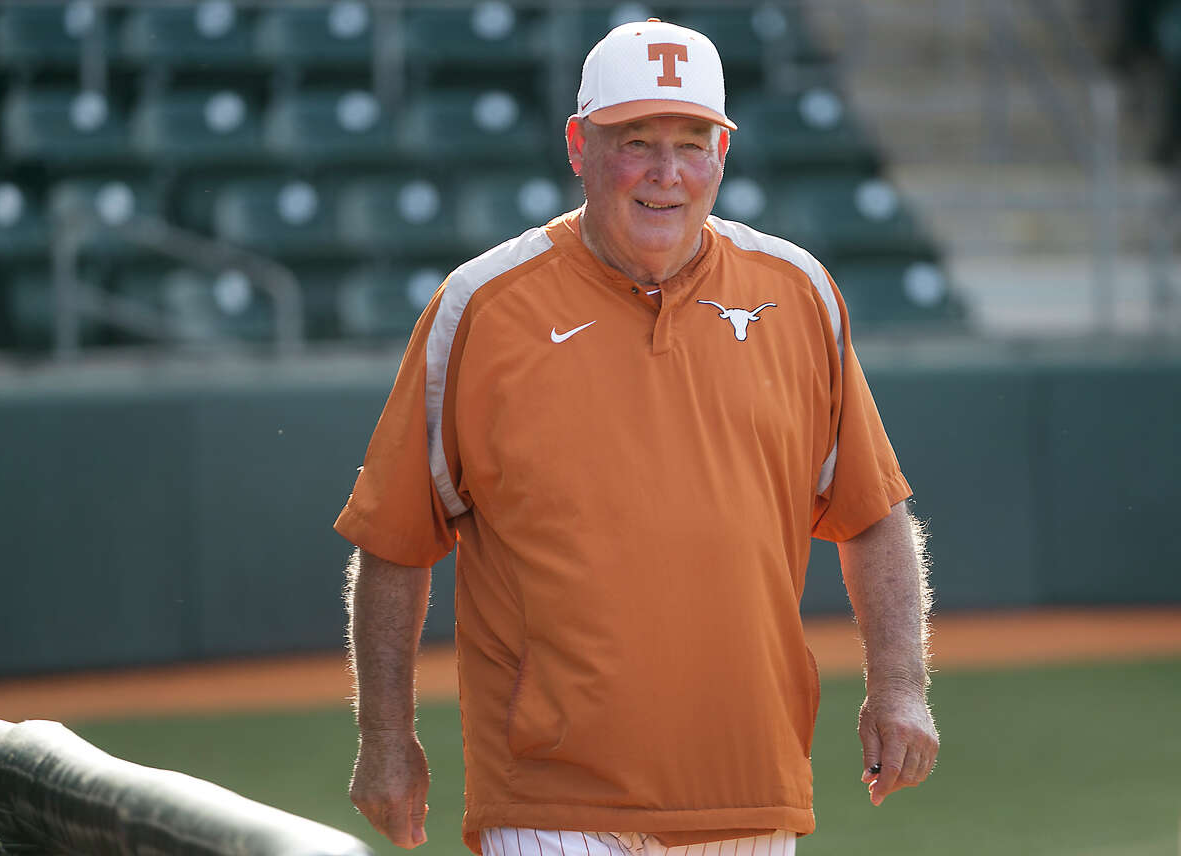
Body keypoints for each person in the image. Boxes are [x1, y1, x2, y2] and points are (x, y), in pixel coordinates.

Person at [335, 17, 939, 856]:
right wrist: (387, 739)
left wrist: (900, 687)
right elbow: (395, 538)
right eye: (636, 141)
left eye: (693, 143)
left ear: (723, 155)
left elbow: (872, 512)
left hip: (749, 785)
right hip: (550, 797)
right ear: (579, 145)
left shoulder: (799, 292)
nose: (666, 174)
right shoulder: (482, 305)